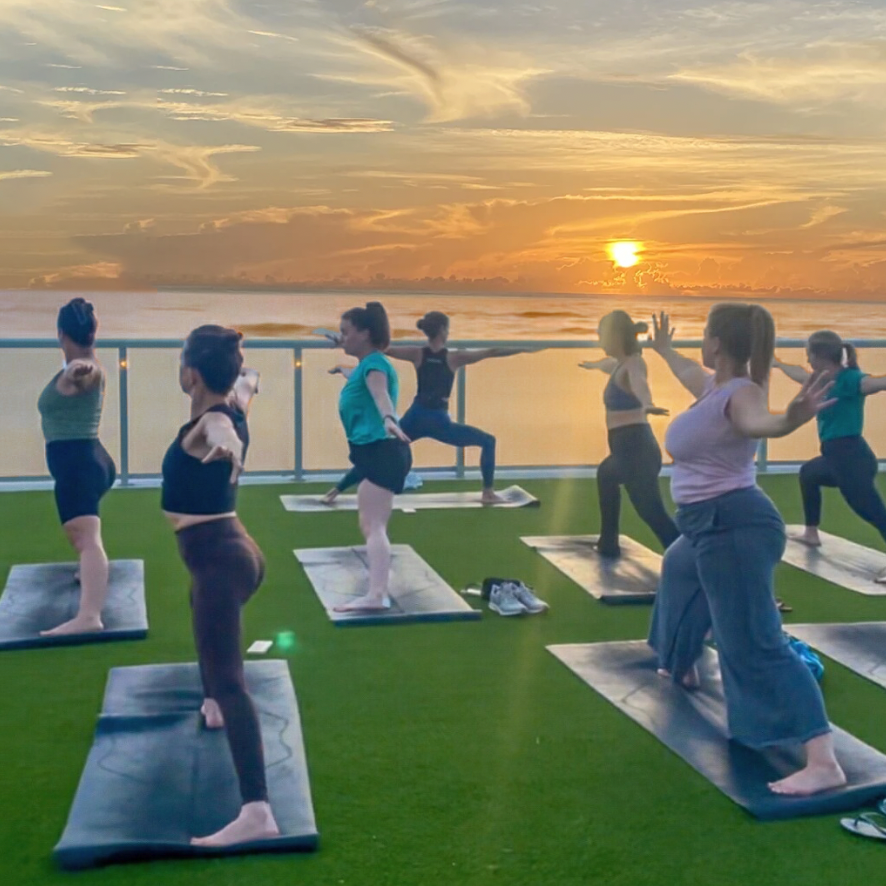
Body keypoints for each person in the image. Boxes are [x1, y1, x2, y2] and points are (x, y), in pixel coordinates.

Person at [647, 306, 846, 797]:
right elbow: (688, 372)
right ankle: (682, 659)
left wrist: (789, 422)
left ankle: (821, 758)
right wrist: (664, 349)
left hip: (733, 527)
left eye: (703, 336)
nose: (699, 344)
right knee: (677, 569)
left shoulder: (743, 394)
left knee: (755, 640)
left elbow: (762, 424)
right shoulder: (715, 387)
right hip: (704, 526)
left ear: (717, 342)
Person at [161, 325, 275, 846]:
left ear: (190, 374)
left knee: (232, 681)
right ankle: (210, 705)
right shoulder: (234, 403)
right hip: (233, 551)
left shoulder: (212, 420)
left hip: (220, 563)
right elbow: (248, 384)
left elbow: (218, 432)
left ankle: (257, 811)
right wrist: (243, 370)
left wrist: (228, 447)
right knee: (202, 618)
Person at [322, 311, 530, 505]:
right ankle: (488, 493)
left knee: (381, 453)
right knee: (488, 441)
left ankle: (337, 490)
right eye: (447, 330)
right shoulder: (453, 357)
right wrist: (525, 348)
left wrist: (342, 342)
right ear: (442, 331)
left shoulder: (417, 353)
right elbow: (491, 352)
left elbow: (377, 348)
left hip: (416, 416)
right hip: (439, 421)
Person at [773, 332, 886, 579]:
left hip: (852, 459)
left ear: (819, 356)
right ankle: (811, 533)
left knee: (873, 512)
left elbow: (875, 383)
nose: (807, 360)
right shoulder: (819, 380)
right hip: (836, 458)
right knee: (809, 474)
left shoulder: (851, 379)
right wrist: (778, 363)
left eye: (809, 355)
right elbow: (799, 374)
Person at [37, 298, 116, 636]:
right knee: (82, 537)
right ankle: (90, 572)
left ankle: (89, 616)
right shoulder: (89, 363)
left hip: (78, 467)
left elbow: (84, 376)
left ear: (60, 334)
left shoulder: (86, 369)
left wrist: (74, 371)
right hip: (89, 461)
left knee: (87, 539)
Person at [329, 302, 412, 611]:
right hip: (377, 453)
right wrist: (344, 369)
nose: (342, 338)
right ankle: (377, 591)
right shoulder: (367, 364)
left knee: (374, 525)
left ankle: (376, 595)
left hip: (382, 451)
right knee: (373, 523)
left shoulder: (375, 365)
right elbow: (363, 382)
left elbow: (380, 394)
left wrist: (390, 419)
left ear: (365, 334)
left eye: (346, 333)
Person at [578, 310, 678, 557]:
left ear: (615, 336)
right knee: (615, 482)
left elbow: (639, 382)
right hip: (628, 449)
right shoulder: (619, 365)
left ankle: (689, 557)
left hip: (637, 449)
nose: (599, 338)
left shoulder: (634, 363)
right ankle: (609, 544)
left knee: (649, 510)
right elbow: (607, 365)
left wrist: (647, 403)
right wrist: (593, 364)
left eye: (601, 334)